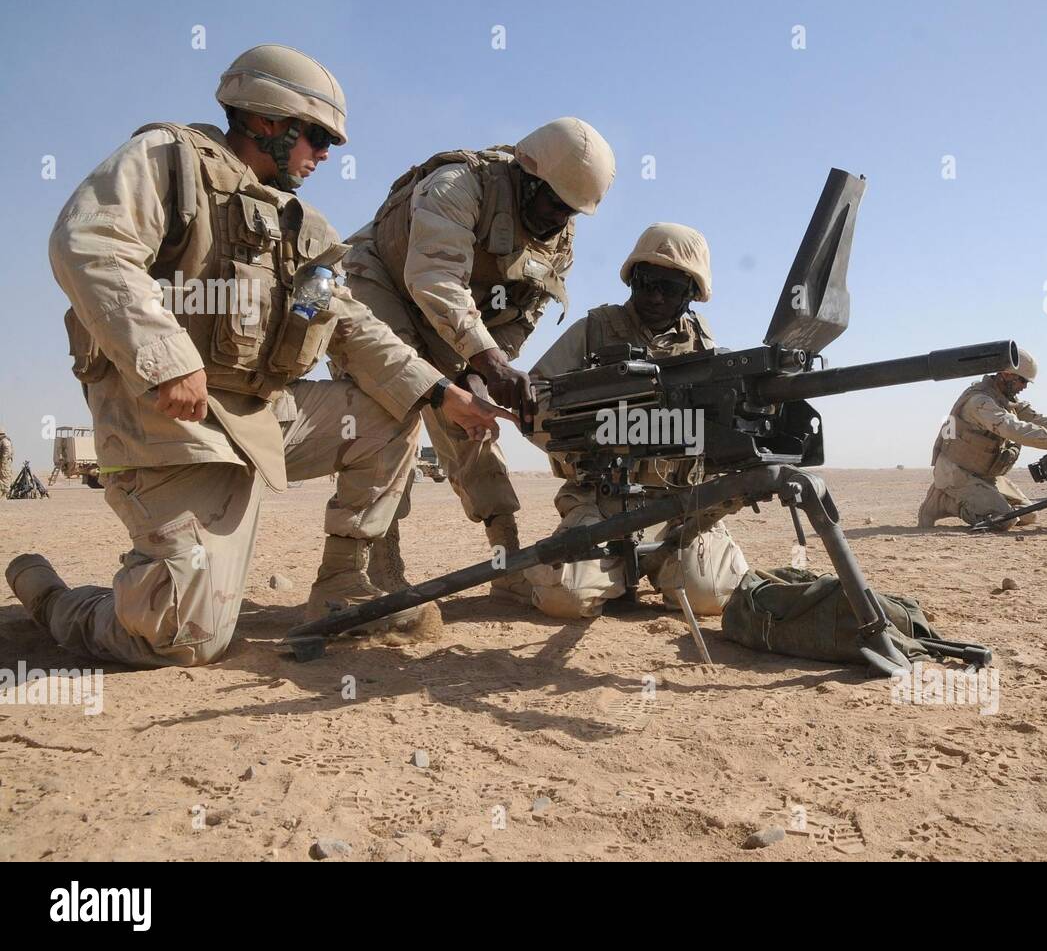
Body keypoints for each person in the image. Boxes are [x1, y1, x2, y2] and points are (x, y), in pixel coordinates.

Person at [6, 45, 510, 668]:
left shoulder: (304, 228)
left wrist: (441, 393)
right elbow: (88, 241)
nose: (325, 155)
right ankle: (54, 598)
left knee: (391, 409)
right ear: (269, 122)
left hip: (261, 418)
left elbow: (351, 325)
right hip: (169, 426)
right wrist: (164, 358)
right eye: (318, 137)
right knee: (183, 637)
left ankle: (342, 584)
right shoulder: (170, 161)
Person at [340, 118, 615, 599]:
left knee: (475, 423)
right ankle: (378, 564)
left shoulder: (560, 240)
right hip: (385, 287)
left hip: (458, 323)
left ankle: (505, 560)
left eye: (571, 212)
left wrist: (485, 371)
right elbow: (434, 280)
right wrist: (489, 361)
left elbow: (524, 314)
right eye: (554, 203)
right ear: (529, 177)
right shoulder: (458, 185)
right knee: (389, 411)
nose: (559, 220)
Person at [524, 223, 749, 618]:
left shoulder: (704, 346)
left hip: (681, 507)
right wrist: (596, 430)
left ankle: (659, 563)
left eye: (670, 287)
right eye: (646, 283)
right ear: (632, 280)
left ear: (692, 294)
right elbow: (533, 397)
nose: (655, 296)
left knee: (709, 596)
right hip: (603, 503)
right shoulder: (595, 330)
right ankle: (565, 571)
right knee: (566, 599)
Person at [917, 350, 1047, 529]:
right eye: (1022, 380)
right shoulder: (979, 401)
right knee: (1004, 520)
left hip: (986, 475)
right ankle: (945, 502)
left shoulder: (1007, 402)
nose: (1024, 386)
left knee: (1029, 515)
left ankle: (976, 498)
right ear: (1007, 375)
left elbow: (1041, 421)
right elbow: (1012, 429)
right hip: (956, 473)